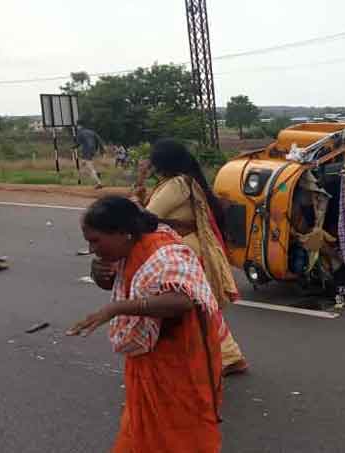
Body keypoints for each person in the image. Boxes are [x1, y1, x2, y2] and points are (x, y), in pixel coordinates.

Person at [67, 196, 222, 452]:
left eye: (95, 241)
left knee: (181, 435)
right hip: (147, 360)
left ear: (122, 233)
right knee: (143, 431)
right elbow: (121, 282)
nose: (92, 249)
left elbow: (181, 300)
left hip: (180, 360)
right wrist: (99, 274)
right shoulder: (127, 248)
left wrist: (116, 308)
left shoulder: (165, 253)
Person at [133, 138, 248, 376]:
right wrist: (141, 182)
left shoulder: (177, 184)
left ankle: (226, 357)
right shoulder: (176, 182)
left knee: (196, 307)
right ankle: (228, 355)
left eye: (152, 159)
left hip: (185, 252)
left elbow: (147, 217)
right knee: (200, 306)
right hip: (183, 250)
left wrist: (140, 181)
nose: (149, 162)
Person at [72, 121, 106, 189]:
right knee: (83, 163)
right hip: (92, 150)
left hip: (86, 150)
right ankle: (82, 178)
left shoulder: (80, 133)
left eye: (77, 127)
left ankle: (98, 182)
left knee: (89, 167)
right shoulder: (91, 132)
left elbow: (78, 144)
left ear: (79, 127)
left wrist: (73, 147)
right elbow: (99, 140)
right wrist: (101, 150)